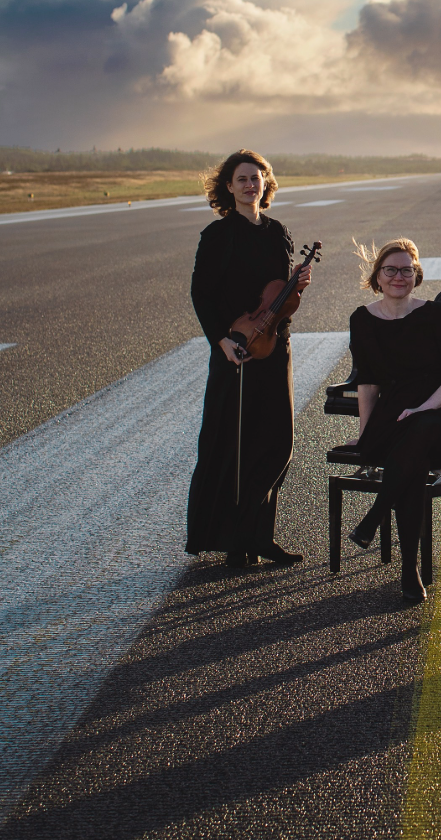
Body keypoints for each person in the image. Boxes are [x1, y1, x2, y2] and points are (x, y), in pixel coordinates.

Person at [186, 149, 312, 568]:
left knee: (276, 443)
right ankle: (234, 541)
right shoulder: (218, 235)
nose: (249, 185)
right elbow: (201, 293)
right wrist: (220, 341)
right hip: (236, 349)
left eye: (255, 178)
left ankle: (260, 535)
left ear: (265, 183)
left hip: (275, 346)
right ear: (228, 186)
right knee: (233, 445)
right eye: (241, 179)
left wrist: (298, 285)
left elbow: (280, 297)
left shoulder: (278, 232)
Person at [344, 238, 441, 604]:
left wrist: (426, 407)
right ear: (377, 277)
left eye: (406, 270)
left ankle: (375, 518)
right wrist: (365, 433)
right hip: (394, 417)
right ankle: (408, 570)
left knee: (422, 430)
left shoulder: (434, 314)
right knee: (411, 459)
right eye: (390, 270)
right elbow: (368, 382)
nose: (398, 277)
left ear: (416, 276)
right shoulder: (362, 319)